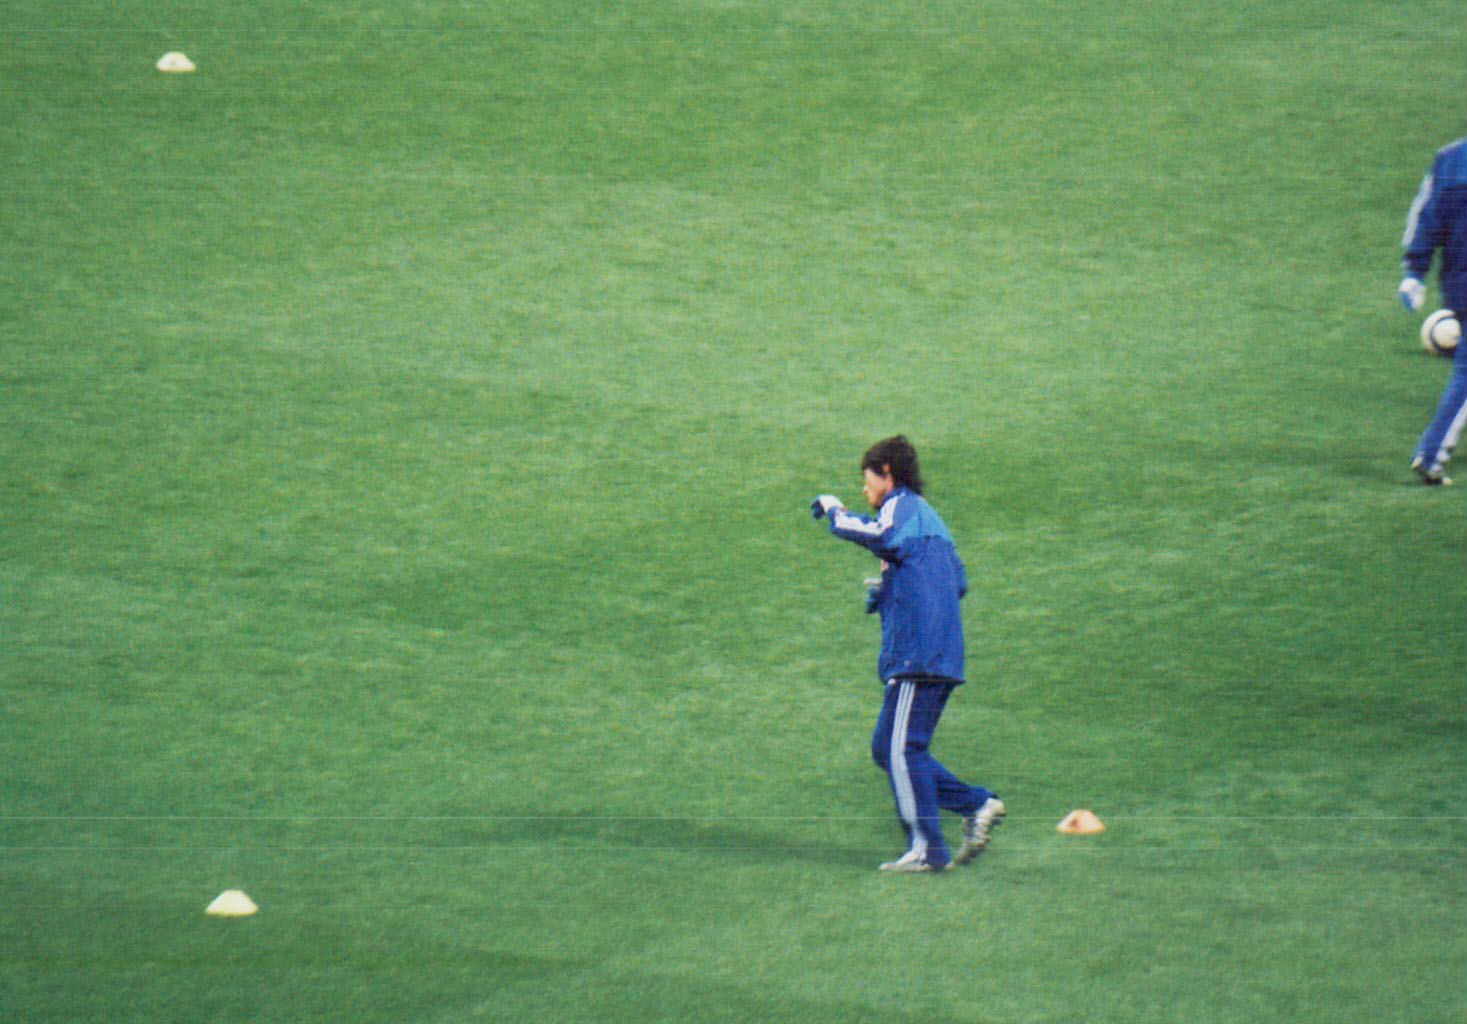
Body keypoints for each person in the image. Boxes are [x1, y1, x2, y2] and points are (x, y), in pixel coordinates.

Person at [810, 435, 1005, 873]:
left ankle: (927, 850)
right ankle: (976, 804)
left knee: (902, 751)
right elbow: (956, 581)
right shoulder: (932, 520)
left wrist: (836, 512)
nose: (865, 489)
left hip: (918, 654)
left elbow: (882, 535)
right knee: (890, 748)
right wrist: (893, 589)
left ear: (887, 474)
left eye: (868, 479)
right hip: (940, 653)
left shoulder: (901, 505)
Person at [1399, 135, 1467, 486]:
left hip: (1457, 283)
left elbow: (1426, 217)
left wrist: (1415, 272)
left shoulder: (1450, 159)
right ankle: (1431, 455)